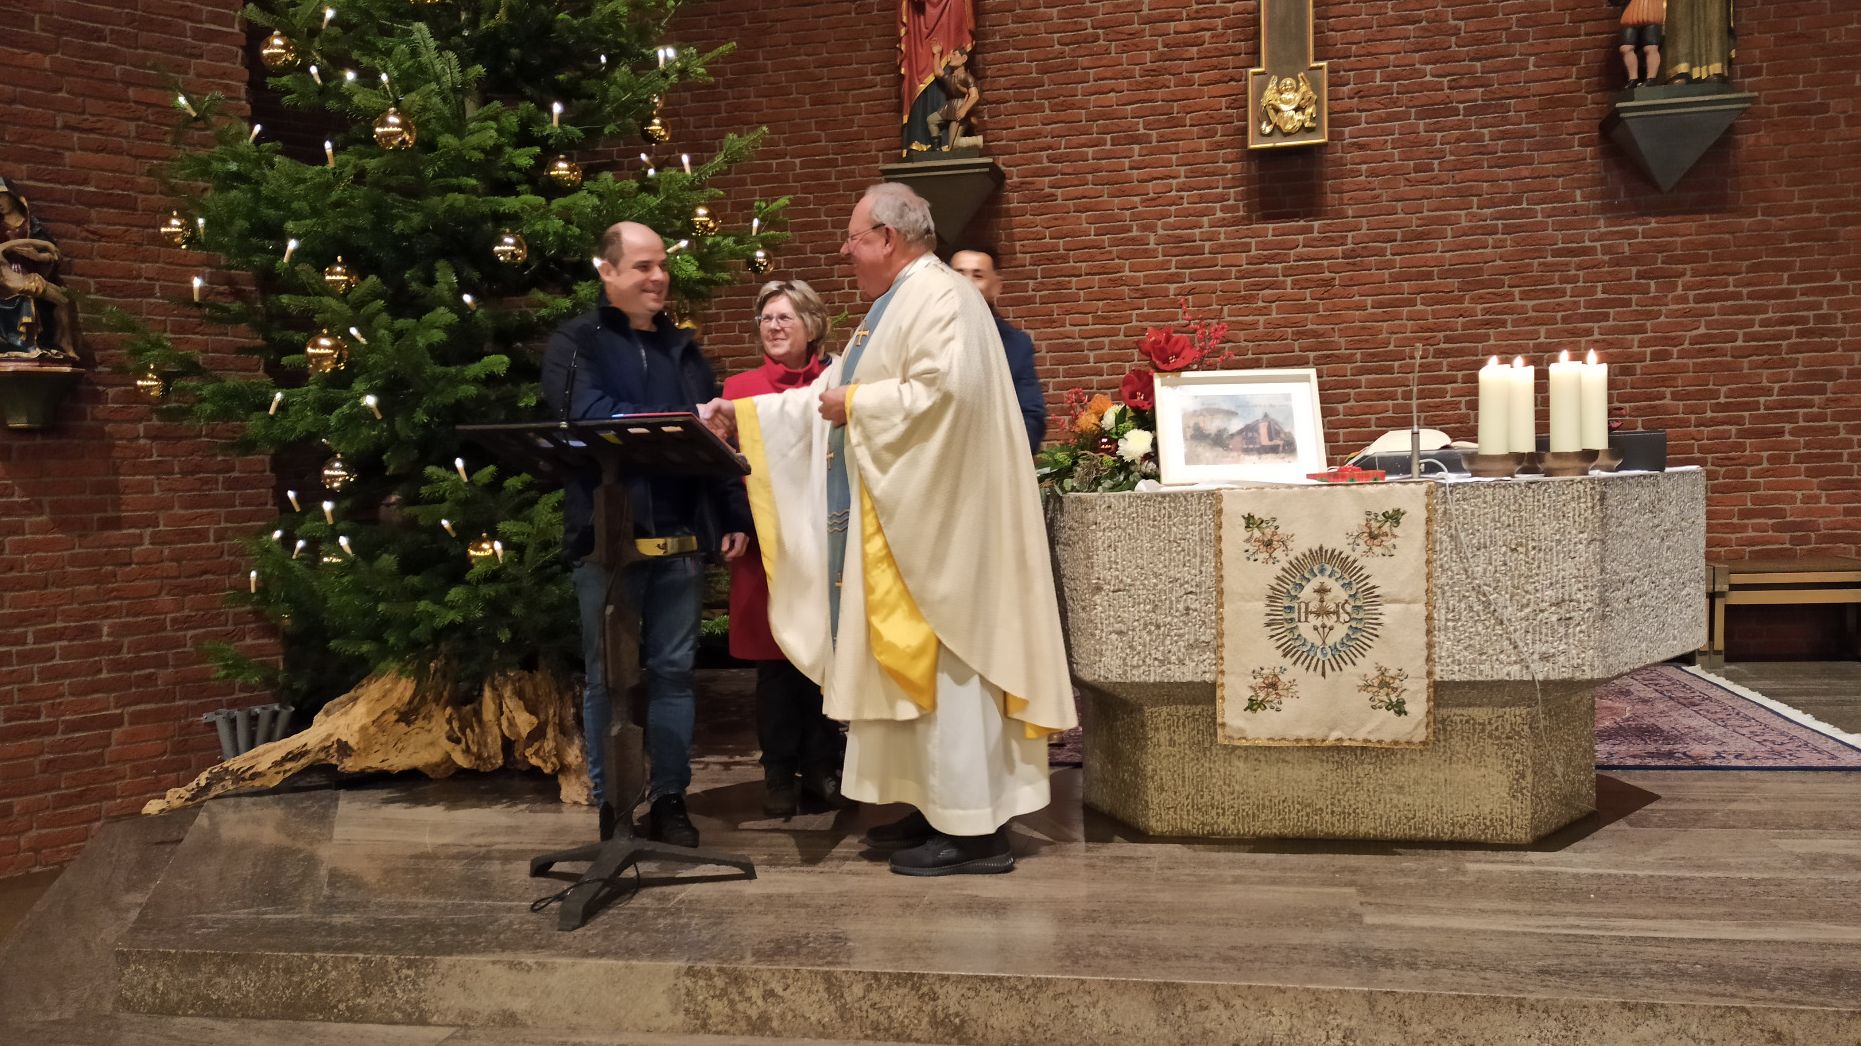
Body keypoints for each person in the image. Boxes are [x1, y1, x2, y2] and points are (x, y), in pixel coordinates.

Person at [698, 184, 1076, 876]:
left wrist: (859, 403)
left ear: (887, 237)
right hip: (907, 530)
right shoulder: (893, 305)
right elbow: (829, 393)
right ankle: (934, 810)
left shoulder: (940, 298)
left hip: (948, 537)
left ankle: (975, 832)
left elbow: (945, 398)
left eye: (851, 238)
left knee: (952, 674)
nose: (844, 252)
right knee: (911, 672)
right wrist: (743, 416)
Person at [540, 221, 750, 848]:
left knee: (674, 676)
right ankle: (613, 807)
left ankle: (670, 800)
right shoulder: (576, 343)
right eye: (642, 267)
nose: (658, 277)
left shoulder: (682, 351)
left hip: (679, 541)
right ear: (607, 272)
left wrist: (733, 513)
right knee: (609, 677)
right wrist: (677, 420)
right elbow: (585, 416)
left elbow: (708, 441)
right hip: (607, 541)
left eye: (662, 266)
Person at [721, 279, 847, 818]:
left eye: (785, 318)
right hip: (764, 543)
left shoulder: (835, 382)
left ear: (812, 326)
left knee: (823, 655)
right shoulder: (740, 387)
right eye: (767, 319)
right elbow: (725, 467)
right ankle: (777, 772)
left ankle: (824, 766)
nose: (773, 327)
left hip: (824, 540)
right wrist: (734, 520)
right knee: (774, 663)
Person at [950, 246, 1046, 453]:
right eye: (958, 274)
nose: (966, 282)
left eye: (977, 275)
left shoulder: (1016, 345)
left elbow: (1031, 416)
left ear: (996, 287)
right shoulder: (923, 335)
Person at [1614, 0, 1665, 88]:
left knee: (1651, 47)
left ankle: (1651, 78)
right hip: (1629, 14)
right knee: (1626, 48)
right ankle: (1633, 79)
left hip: (1651, 12)